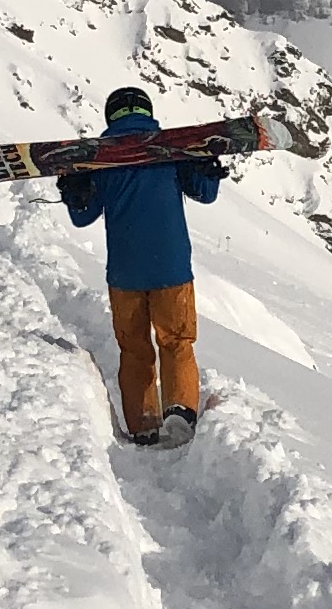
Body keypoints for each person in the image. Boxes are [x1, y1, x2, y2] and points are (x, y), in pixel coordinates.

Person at [58, 83, 221, 445]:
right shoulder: (171, 151)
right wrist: (207, 166)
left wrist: (74, 191)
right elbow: (204, 193)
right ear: (147, 113)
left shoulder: (101, 159)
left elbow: (83, 217)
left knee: (134, 349)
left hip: (125, 273)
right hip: (172, 269)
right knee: (176, 341)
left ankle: (143, 423)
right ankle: (179, 411)